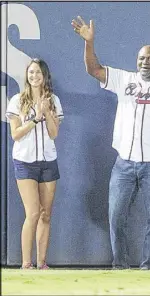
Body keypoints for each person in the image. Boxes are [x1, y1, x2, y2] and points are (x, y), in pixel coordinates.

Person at [71, 16, 150, 270]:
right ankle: (120, 266)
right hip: (123, 164)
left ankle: (149, 268)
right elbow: (93, 69)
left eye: (149, 58)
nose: (144, 62)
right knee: (115, 216)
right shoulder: (125, 80)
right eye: (141, 58)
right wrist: (89, 43)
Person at [6, 58, 64, 269]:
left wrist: (47, 112)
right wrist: (35, 118)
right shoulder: (17, 101)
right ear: (27, 76)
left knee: (45, 214)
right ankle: (26, 263)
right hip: (25, 162)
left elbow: (54, 133)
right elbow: (15, 134)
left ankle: (42, 263)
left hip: (48, 162)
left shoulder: (54, 100)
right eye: (31, 73)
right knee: (32, 213)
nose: (34, 76)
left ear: (45, 75)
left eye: (38, 72)